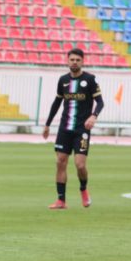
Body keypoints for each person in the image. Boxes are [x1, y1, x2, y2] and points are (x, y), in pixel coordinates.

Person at [42, 48, 104, 209]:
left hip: (81, 130)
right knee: (60, 162)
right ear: (67, 61)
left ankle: (83, 189)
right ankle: (61, 200)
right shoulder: (63, 80)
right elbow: (56, 104)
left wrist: (94, 116)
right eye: (72, 59)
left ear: (82, 61)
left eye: (78, 60)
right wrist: (47, 124)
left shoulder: (90, 80)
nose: (74, 62)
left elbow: (101, 102)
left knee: (80, 165)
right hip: (65, 128)